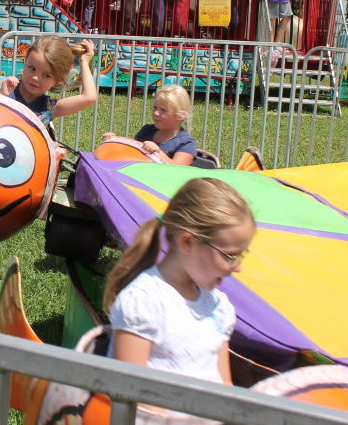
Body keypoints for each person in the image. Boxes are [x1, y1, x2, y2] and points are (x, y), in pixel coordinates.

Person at [103, 177, 255, 422]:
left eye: (241, 255)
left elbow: (223, 385)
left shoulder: (218, 307)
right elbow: (132, 394)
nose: (235, 267)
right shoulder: (143, 301)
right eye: (230, 256)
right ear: (187, 242)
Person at [0, 36, 97, 136]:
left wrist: (84, 61)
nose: (35, 78)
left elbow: (89, 97)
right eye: (32, 68)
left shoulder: (49, 108)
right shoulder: (0, 84)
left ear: (58, 80)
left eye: (46, 75)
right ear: (25, 62)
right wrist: (1, 98)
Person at [102, 84, 197, 165]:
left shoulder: (185, 143)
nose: (156, 113)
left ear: (180, 116)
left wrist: (158, 153)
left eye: (163, 110)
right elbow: (131, 151)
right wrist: (115, 141)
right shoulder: (147, 131)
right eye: (155, 107)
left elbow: (180, 171)